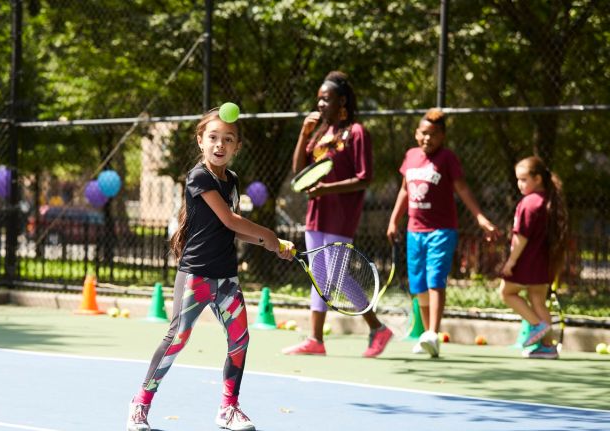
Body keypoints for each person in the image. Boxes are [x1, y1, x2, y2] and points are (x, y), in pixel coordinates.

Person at [126, 108, 294, 431]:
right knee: (177, 337)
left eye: (228, 140)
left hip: (227, 279)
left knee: (240, 339)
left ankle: (228, 409)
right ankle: (140, 404)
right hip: (196, 277)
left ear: (237, 147)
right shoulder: (198, 177)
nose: (220, 144)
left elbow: (234, 230)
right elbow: (229, 219)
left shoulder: (232, 181)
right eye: (213, 138)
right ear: (200, 141)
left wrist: (271, 244)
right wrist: (270, 235)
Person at [282, 71, 394, 358]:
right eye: (319, 99)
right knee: (318, 278)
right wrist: (303, 134)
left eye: (326, 99)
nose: (320, 104)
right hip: (315, 214)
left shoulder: (357, 132)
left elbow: (365, 177)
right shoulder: (319, 133)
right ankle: (315, 340)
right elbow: (299, 172)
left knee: (338, 278)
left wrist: (326, 190)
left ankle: (377, 328)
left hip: (341, 215)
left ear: (341, 101)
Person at [386, 108, 499, 358]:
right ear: (417, 133)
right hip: (414, 231)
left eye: (433, 135)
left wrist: (480, 218)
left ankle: (433, 334)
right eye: (424, 133)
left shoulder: (447, 158)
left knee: (435, 278)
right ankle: (426, 334)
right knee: (419, 286)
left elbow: (461, 188)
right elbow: (405, 191)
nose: (428, 138)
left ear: (443, 137)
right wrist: (394, 220)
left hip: (441, 231)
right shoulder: (411, 156)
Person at [500, 156, 568, 359]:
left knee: (506, 292)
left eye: (524, 179)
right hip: (543, 262)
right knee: (537, 300)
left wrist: (510, 262)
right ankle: (548, 347)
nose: (520, 184)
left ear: (537, 178)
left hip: (527, 262)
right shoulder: (547, 200)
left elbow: (521, 237)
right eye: (518, 180)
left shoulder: (529, 203)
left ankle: (537, 325)